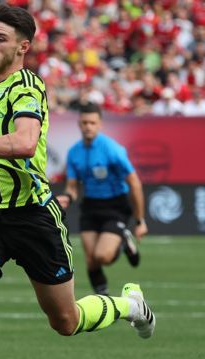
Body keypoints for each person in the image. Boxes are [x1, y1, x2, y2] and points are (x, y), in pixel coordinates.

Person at [0, 6, 155, 359]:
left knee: (66, 321)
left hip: (33, 215)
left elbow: (24, 143)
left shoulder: (27, 86)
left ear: (22, 47)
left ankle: (131, 306)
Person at [56, 102, 148, 295]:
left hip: (115, 206)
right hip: (90, 206)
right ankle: (103, 298)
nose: (88, 126)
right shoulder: (74, 153)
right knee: (91, 260)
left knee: (103, 256)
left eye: (92, 122)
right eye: (84, 122)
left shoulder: (112, 149)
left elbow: (135, 183)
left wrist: (140, 221)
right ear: (79, 125)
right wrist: (67, 197)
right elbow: (72, 187)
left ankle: (124, 241)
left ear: (100, 124)